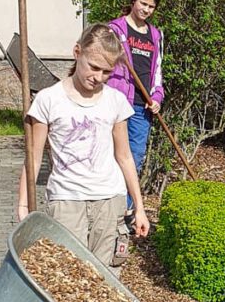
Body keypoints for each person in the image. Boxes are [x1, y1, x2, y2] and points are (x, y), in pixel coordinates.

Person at [17, 23, 150, 267]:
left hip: (109, 201)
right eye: (94, 67)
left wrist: (139, 207)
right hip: (66, 201)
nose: (98, 77)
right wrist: (24, 204)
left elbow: (124, 157)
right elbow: (33, 157)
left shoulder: (115, 101)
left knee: (105, 278)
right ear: (77, 52)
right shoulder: (49, 99)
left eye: (107, 72)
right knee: (69, 275)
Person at [107, 0, 164, 209]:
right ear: (133, 1)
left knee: (135, 158)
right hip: (117, 103)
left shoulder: (154, 35)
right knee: (113, 156)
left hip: (142, 107)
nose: (146, 10)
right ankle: (109, 206)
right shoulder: (115, 30)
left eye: (151, 6)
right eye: (143, 3)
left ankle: (126, 209)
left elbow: (157, 70)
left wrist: (157, 97)